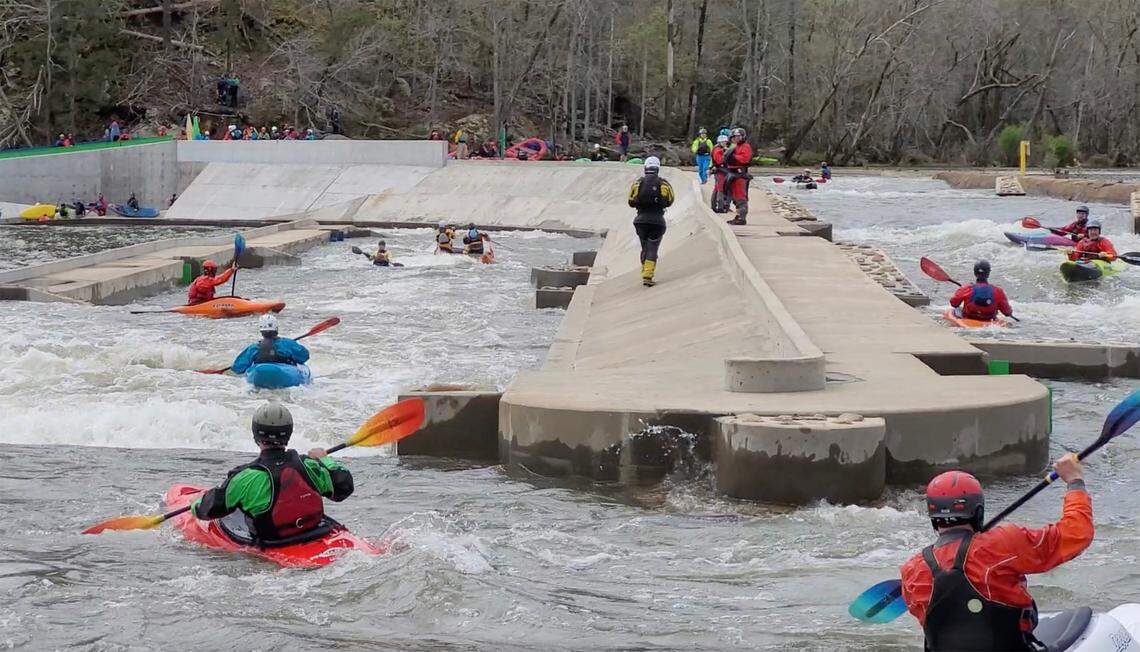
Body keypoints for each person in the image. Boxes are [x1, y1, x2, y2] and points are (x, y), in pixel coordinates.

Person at [900, 455, 1092, 651]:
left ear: (933, 516)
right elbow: (1076, 534)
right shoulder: (1002, 544)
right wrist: (1075, 481)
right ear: (978, 511)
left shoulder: (912, 571)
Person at [190, 403, 353, 547]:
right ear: (288, 434)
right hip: (315, 532)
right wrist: (325, 460)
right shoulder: (310, 466)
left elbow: (207, 511)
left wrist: (194, 504)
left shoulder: (244, 478)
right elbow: (343, 487)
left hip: (275, 543)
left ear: (256, 436)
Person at [627, 156, 675, 287]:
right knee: (653, 248)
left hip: (640, 220)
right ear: (658, 169)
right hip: (658, 221)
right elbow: (670, 200)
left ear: (645, 168)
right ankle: (647, 275)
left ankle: (644, 269)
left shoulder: (638, 183)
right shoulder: (664, 184)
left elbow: (630, 201)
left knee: (644, 247)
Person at [231, 314, 310, 374]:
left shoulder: (254, 348)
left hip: (261, 373)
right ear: (276, 329)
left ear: (261, 331)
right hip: (284, 373)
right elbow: (304, 357)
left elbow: (237, 368)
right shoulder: (287, 344)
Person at [949, 260, 1014, 322]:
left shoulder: (966, 288)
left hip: (969, 318)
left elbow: (954, 303)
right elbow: (1007, 312)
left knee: (955, 310)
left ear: (975, 273)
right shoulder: (998, 291)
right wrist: (1008, 313)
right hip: (989, 319)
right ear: (988, 273)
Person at [723, 128, 753, 225]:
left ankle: (742, 216)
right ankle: (739, 214)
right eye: (734, 137)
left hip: (740, 174)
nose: (735, 139)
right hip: (733, 173)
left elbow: (745, 159)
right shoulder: (736, 147)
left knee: (740, 196)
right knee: (734, 196)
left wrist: (734, 157)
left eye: (737, 137)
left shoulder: (745, 146)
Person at [710, 134, 730, 213]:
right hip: (720, 171)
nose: (725, 143)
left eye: (725, 142)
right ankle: (720, 207)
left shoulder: (717, 149)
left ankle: (714, 206)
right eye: (723, 142)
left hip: (720, 170)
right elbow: (719, 161)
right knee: (720, 189)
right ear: (720, 142)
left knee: (717, 188)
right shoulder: (718, 150)